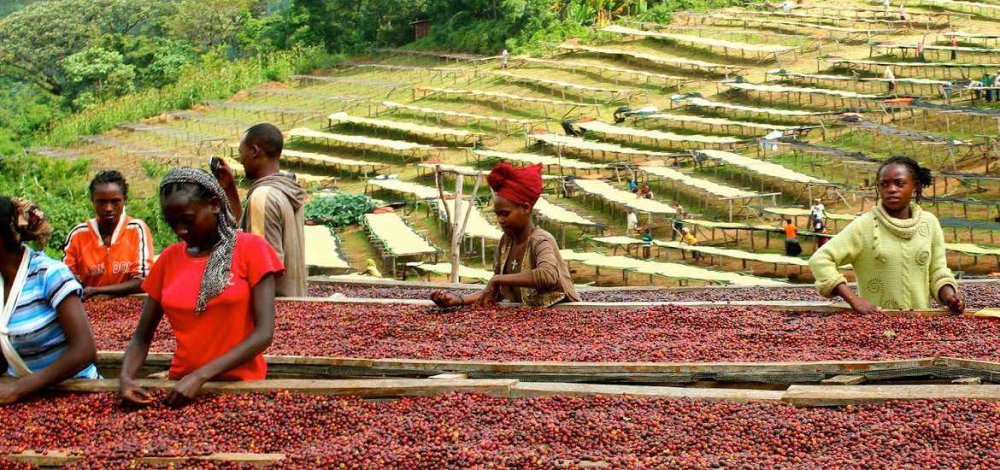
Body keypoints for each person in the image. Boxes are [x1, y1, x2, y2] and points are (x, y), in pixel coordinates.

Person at [119, 168, 282, 408]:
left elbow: (263, 334)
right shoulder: (168, 259)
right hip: (180, 389)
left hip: (242, 388)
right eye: (172, 223)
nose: (180, 231)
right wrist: (125, 379)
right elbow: (142, 338)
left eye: (188, 220)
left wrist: (200, 376)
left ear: (214, 205)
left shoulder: (251, 250)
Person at [810, 156, 963, 314]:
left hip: (921, 322)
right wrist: (853, 300)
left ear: (915, 186)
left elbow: (937, 271)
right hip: (877, 325)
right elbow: (820, 260)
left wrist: (950, 298)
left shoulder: (929, 223)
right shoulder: (865, 226)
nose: (891, 189)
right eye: (884, 184)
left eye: (900, 183)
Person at [431, 163, 580, 308]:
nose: (500, 220)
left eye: (505, 214)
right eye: (497, 214)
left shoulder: (540, 240)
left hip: (559, 311)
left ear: (525, 208)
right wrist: (459, 300)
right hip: (528, 317)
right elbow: (497, 290)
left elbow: (548, 275)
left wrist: (497, 279)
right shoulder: (506, 242)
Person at [0, 197, 99, 404]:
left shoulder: (49, 273)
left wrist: (19, 388)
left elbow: (85, 350)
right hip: (21, 399)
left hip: (74, 392)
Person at [214, 124, 307, 297]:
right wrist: (230, 190)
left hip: (273, 309)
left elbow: (264, 268)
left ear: (255, 151)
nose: (240, 160)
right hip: (293, 299)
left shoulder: (263, 197)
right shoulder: (287, 190)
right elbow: (250, 235)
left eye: (242, 152)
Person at [63, 171, 154, 299]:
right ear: (93, 201)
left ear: (125, 200)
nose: (108, 208)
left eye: (115, 201)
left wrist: (96, 291)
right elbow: (64, 279)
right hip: (90, 308)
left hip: (130, 305)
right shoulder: (78, 235)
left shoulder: (136, 229)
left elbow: (143, 281)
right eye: (101, 202)